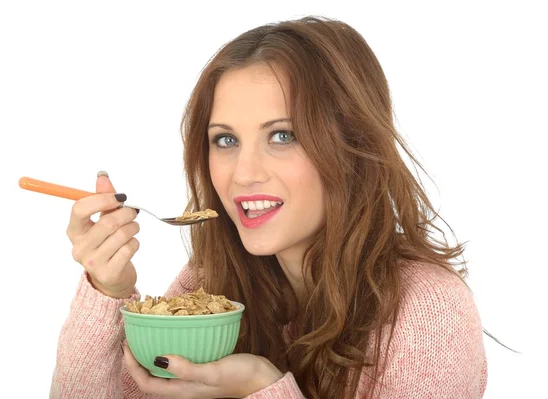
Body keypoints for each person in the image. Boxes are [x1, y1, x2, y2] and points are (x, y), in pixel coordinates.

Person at [49, 16, 487, 399]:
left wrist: (262, 387)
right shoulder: (210, 285)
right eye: (226, 140)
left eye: (282, 135)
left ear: (353, 145)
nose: (243, 173)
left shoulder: (428, 309)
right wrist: (109, 288)